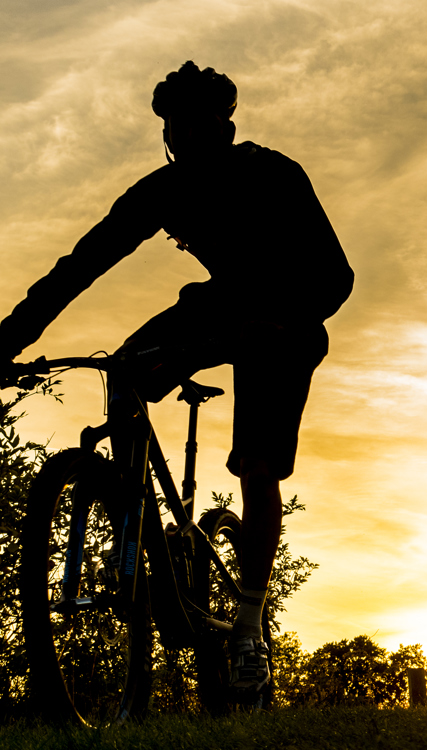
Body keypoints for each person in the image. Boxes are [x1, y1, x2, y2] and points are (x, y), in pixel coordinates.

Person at [0, 61, 354, 700]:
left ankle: (247, 627)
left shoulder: (274, 173)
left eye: (201, 123)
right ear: (167, 132)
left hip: (287, 319)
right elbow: (81, 264)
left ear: (226, 124)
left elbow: (335, 274)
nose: (188, 136)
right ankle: (138, 522)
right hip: (222, 304)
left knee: (256, 463)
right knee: (128, 364)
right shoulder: (160, 191)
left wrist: (280, 319)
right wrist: (4, 343)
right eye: (175, 127)